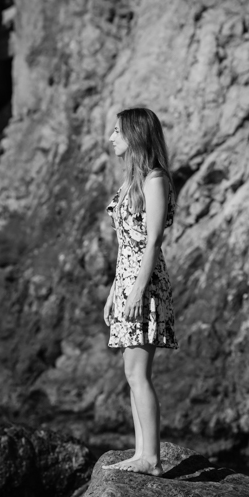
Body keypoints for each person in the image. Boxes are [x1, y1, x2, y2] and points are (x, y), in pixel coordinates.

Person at [102, 107, 177, 476]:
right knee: (132, 372)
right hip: (130, 281)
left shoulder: (154, 179)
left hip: (145, 284)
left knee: (138, 373)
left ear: (135, 135)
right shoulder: (133, 180)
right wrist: (115, 289)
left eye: (117, 131)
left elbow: (152, 242)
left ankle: (152, 458)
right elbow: (125, 245)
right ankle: (142, 451)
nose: (111, 137)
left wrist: (136, 291)